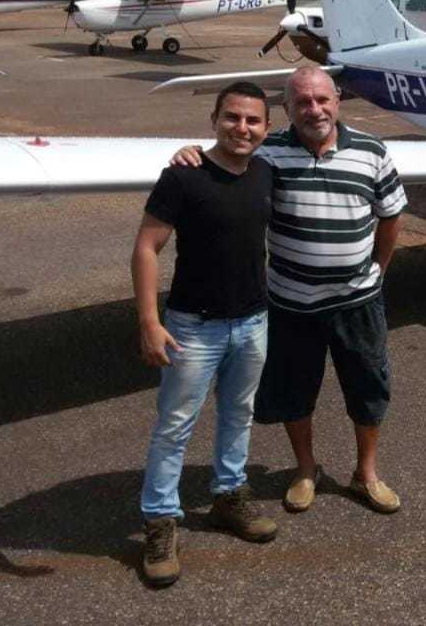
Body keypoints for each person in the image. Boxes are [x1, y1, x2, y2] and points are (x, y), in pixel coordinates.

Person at [173, 66, 406, 516]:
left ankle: (366, 474)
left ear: (337, 101)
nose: (313, 109)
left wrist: (379, 268)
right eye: (302, 102)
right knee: (294, 392)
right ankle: (305, 470)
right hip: (290, 304)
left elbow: (391, 213)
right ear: (286, 109)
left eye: (322, 100)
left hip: (358, 303)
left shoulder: (373, 151)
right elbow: (225, 163)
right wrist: (190, 154)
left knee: (369, 388)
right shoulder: (269, 154)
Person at [134, 81, 278, 588]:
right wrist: (151, 322)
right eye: (232, 118)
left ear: (266, 127)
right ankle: (159, 520)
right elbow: (147, 247)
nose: (242, 128)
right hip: (193, 327)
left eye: (253, 121)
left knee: (239, 414)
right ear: (214, 120)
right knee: (175, 427)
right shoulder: (183, 175)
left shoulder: (264, 170)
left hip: (253, 320)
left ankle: (228, 495)